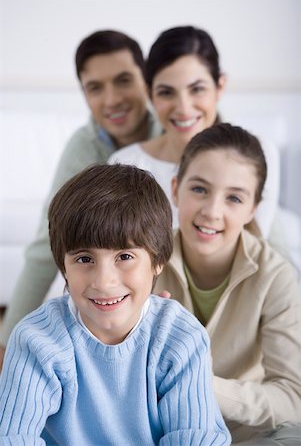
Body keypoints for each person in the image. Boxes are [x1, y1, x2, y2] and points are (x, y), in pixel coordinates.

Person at [0, 164, 231, 446]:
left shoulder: (181, 338)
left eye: (124, 256)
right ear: (64, 266)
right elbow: (12, 437)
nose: (104, 282)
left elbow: (197, 439)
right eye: (84, 259)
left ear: (157, 261)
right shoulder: (36, 340)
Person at [0, 30, 162, 368]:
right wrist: (6, 341)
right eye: (95, 88)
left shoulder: (172, 127)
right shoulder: (84, 148)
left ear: (145, 82)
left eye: (123, 81)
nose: (112, 99)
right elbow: (46, 242)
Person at [154, 123, 301, 445]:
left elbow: (293, 397)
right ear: (176, 189)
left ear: (253, 210)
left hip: (246, 435)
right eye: (199, 189)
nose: (212, 211)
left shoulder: (276, 276)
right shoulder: (142, 262)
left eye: (234, 198)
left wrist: (199, 384)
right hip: (159, 429)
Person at [108, 25, 279, 233]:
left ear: (220, 86)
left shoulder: (259, 156)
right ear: (149, 93)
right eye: (166, 92)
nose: (183, 108)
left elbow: (257, 247)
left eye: (197, 89)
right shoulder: (126, 164)